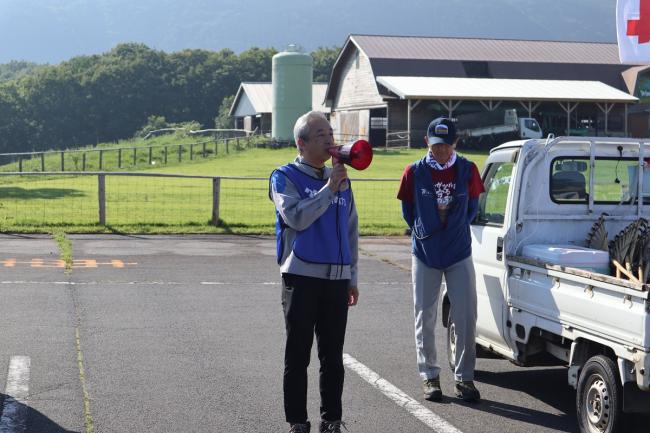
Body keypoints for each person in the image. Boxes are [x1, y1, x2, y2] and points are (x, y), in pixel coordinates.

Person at [269, 111, 359, 433]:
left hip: (336, 279)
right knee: (298, 355)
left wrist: (352, 276)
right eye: (319, 134)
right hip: (301, 277)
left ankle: (331, 419)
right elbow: (295, 217)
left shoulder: (339, 178)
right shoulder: (284, 176)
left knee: (333, 357)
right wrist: (329, 190)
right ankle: (297, 421)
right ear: (301, 143)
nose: (328, 139)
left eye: (330, 132)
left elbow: (351, 230)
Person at [397, 116, 485, 402]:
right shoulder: (414, 172)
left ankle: (464, 378)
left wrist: (454, 229)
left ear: (455, 143)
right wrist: (427, 232)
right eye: (436, 146)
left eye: (446, 146)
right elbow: (408, 212)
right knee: (425, 315)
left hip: (459, 252)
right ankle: (430, 377)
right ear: (427, 142)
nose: (441, 151)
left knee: (466, 316)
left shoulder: (468, 170)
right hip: (425, 253)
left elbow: (472, 209)